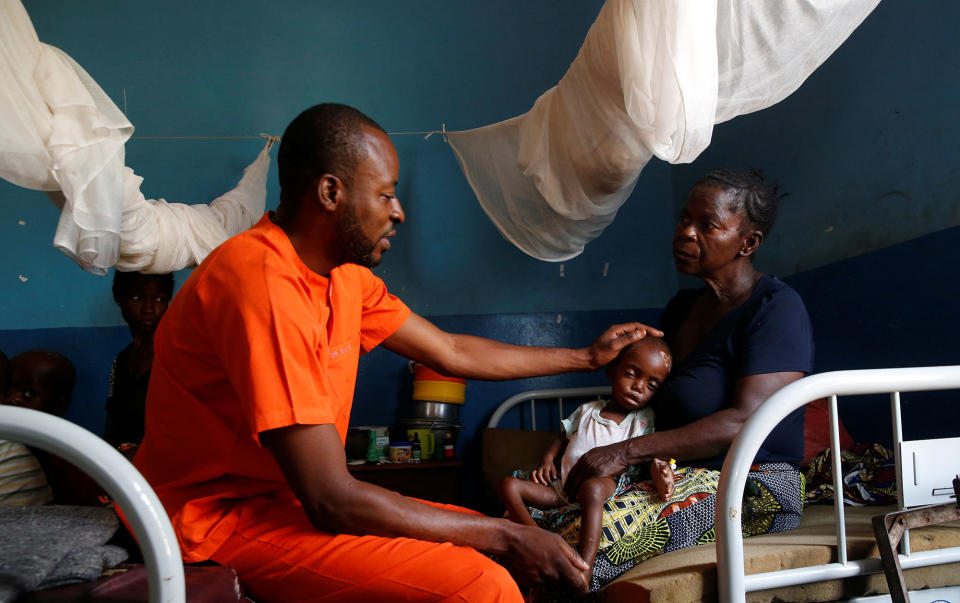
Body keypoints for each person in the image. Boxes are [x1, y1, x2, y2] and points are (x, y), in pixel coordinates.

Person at [133, 103, 664, 602]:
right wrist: (505, 535)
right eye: (385, 195)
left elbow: (452, 350)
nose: (400, 212)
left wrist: (583, 359)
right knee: (480, 582)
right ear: (330, 192)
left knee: (478, 544)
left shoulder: (343, 279)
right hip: (213, 521)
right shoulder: (261, 282)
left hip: (280, 505)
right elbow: (331, 498)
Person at [555, 169, 814, 592]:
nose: (684, 233)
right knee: (549, 517)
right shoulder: (682, 308)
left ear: (748, 243)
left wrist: (624, 452)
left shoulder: (775, 309)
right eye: (683, 219)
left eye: (706, 225)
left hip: (754, 484)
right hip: (676, 471)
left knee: (580, 547)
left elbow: (745, 420)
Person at [498, 336, 675, 587]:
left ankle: (584, 567)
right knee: (509, 485)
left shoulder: (641, 419)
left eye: (652, 385)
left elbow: (649, 452)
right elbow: (563, 436)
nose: (639, 387)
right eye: (632, 374)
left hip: (604, 488)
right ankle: (535, 536)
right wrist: (548, 460)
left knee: (592, 488)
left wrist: (660, 469)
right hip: (561, 491)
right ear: (612, 371)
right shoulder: (587, 410)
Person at [104, 270, 174, 449]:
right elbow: (113, 421)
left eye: (159, 299)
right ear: (117, 296)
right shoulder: (121, 360)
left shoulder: (173, 356)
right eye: (137, 298)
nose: (148, 309)